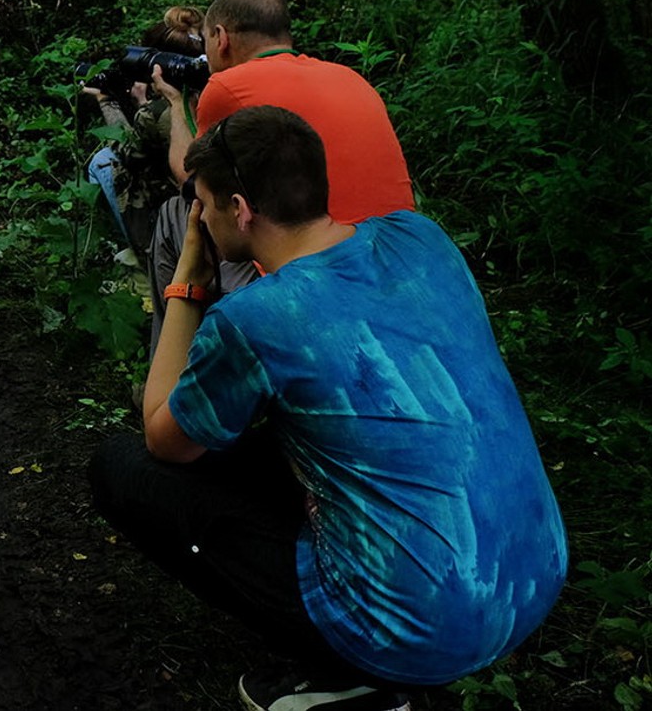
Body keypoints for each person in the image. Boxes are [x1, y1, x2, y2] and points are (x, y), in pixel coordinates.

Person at [90, 105, 566, 711]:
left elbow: (164, 437)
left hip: (417, 633)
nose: (199, 217)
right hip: (531, 579)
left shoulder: (257, 317)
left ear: (239, 210)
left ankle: (348, 677)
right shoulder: (421, 238)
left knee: (123, 467)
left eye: (204, 204)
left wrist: (187, 283)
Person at [142, 0, 413, 359]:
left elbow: (192, 180)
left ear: (220, 38)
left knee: (180, 212)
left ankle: (174, 369)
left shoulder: (228, 85)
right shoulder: (352, 78)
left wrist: (175, 103)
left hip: (311, 276)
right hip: (395, 261)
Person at [81, 6, 205, 254]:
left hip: (183, 217)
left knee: (103, 160)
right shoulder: (214, 92)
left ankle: (142, 252)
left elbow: (126, 152)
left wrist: (107, 102)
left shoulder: (156, 114)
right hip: (219, 208)